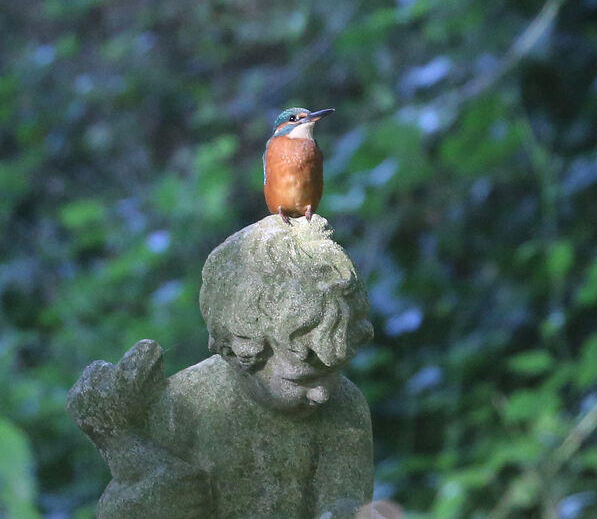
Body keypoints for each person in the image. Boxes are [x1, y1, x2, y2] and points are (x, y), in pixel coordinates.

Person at [68, 216, 375, 518]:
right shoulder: (185, 406)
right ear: (239, 354)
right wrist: (147, 503)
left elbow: (345, 498)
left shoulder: (344, 407)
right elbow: (119, 503)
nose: (323, 393)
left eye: (336, 371)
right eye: (302, 379)